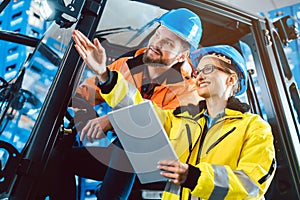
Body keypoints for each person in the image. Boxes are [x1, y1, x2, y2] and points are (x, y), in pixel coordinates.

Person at [73, 39, 276, 199]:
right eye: (198, 71)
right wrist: (105, 75)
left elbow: (251, 184)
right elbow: (140, 110)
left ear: (231, 80)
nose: (199, 76)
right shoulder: (183, 120)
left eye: (209, 69)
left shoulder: (254, 128)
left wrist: (194, 177)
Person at [39, 8, 203, 200]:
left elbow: (162, 134)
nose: (156, 44)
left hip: (161, 169)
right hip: (123, 157)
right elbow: (87, 93)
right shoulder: (125, 65)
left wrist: (114, 120)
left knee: (131, 141)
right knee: (58, 158)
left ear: (182, 55)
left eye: (167, 43)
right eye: (158, 35)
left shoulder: (190, 92)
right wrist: (66, 102)